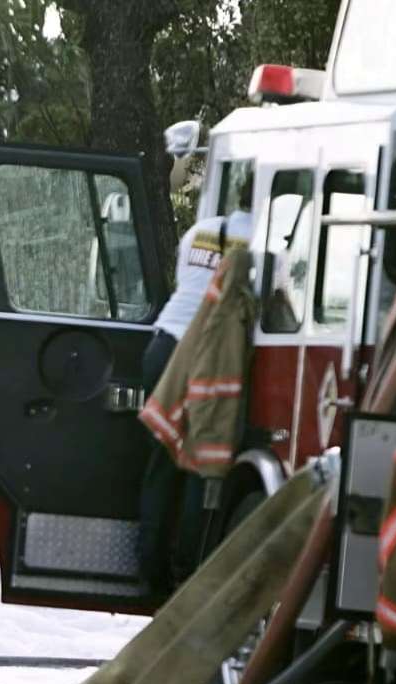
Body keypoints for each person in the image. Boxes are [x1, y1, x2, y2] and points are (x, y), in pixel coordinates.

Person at [138, 172, 253, 596]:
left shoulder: (200, 233)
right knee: (199, 467)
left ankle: (148, 571)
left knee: (161, 463)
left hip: (163, 346)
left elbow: (187, 285)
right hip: (209, 357)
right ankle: (185, 574)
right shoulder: (265, 240)